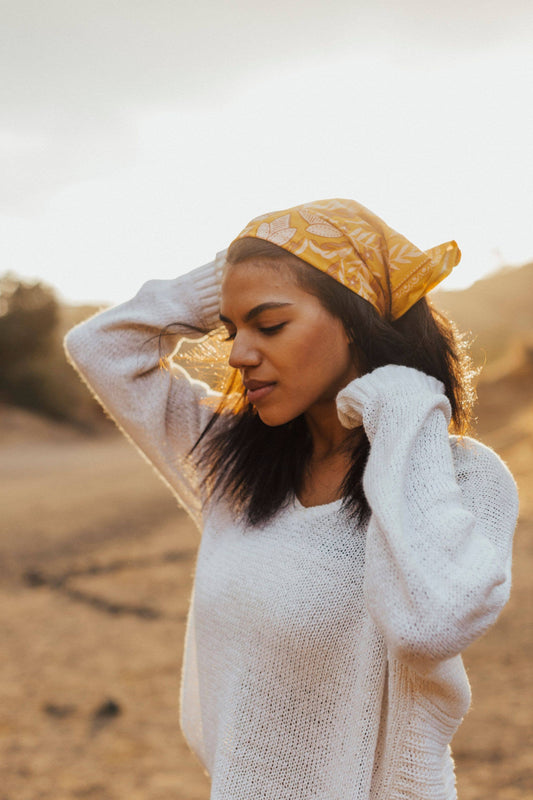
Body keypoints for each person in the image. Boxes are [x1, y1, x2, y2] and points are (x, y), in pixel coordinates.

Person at [64, 198, 519, 800]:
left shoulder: (461, 477)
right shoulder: (232, 461)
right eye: (232, 329)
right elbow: (101, 347)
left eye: (269, 325)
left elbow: (429, 624)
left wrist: (403, 405)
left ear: (358, 319)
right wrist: (236, 272)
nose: (237, 354)